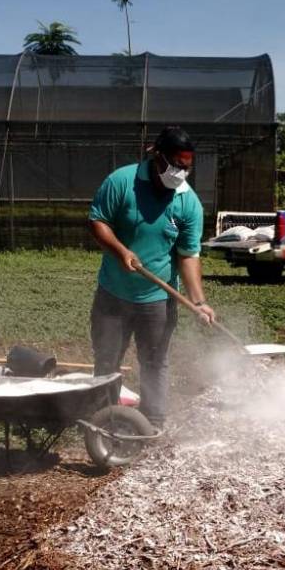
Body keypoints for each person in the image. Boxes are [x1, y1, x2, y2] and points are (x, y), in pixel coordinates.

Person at [88, 126, 216, 429]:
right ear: (156, 156)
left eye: (186, 167)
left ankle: (153, 424)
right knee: (107, 362)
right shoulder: (122, 182)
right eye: (175, 165)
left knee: (155, 363)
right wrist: (121, 251)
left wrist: (199, 301)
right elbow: (98, 222)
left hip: (157, 302)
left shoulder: (188, 202)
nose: (179, 173)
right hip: (113, 295)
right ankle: (104, 421)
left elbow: (188, 255)